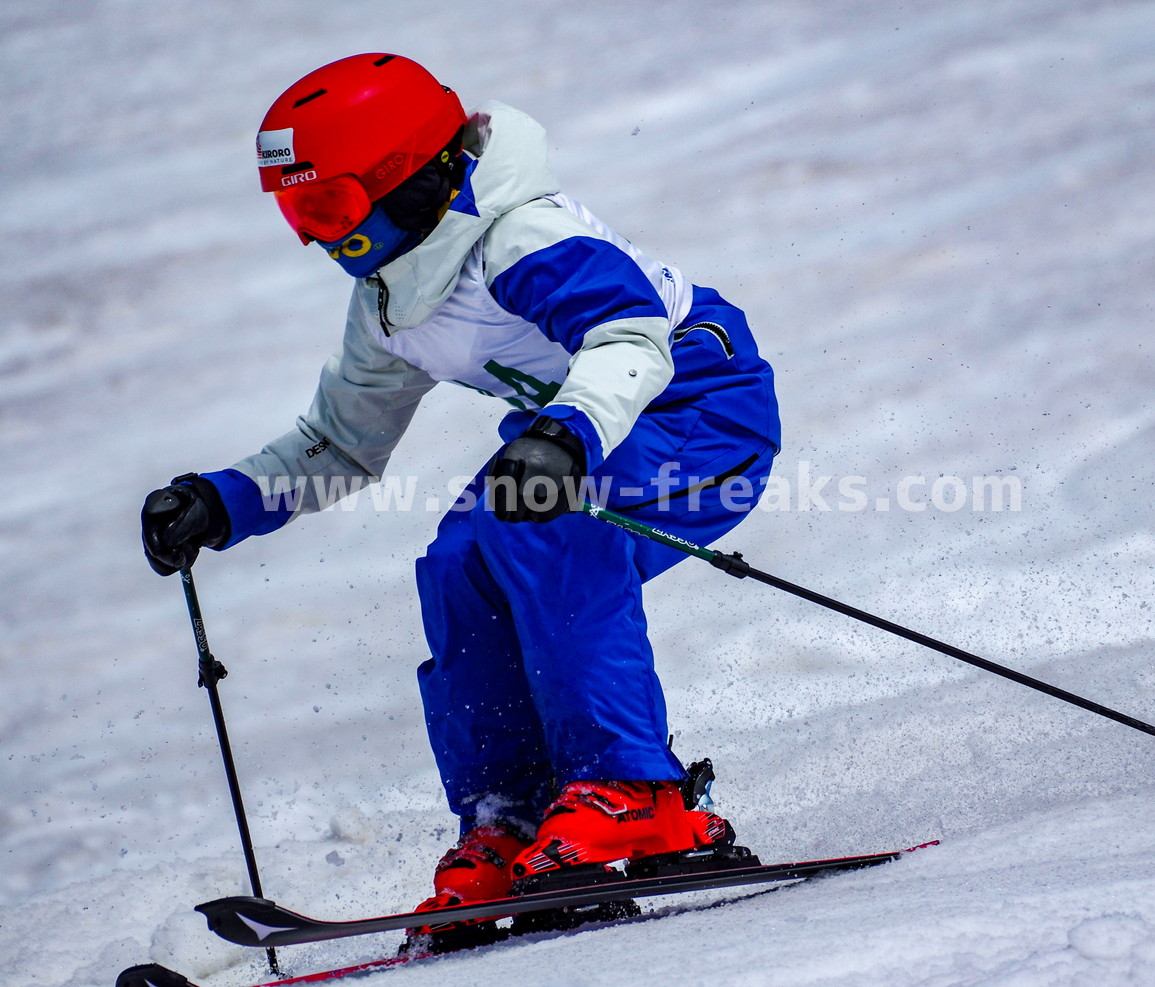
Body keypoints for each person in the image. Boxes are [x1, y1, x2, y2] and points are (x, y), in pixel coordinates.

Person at [140, 52, 780, 941]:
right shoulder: (391, 303)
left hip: (701, 411)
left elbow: (629, 330)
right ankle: (507, 818)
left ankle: (637, 793)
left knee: (544, 533)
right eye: (298, 214)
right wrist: (225, 499)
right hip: (583, 435)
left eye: (327, 206)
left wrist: (563, 436)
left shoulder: (521, 240)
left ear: (402, 177)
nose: (317, 238)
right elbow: (337, 442)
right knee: (458, 562)